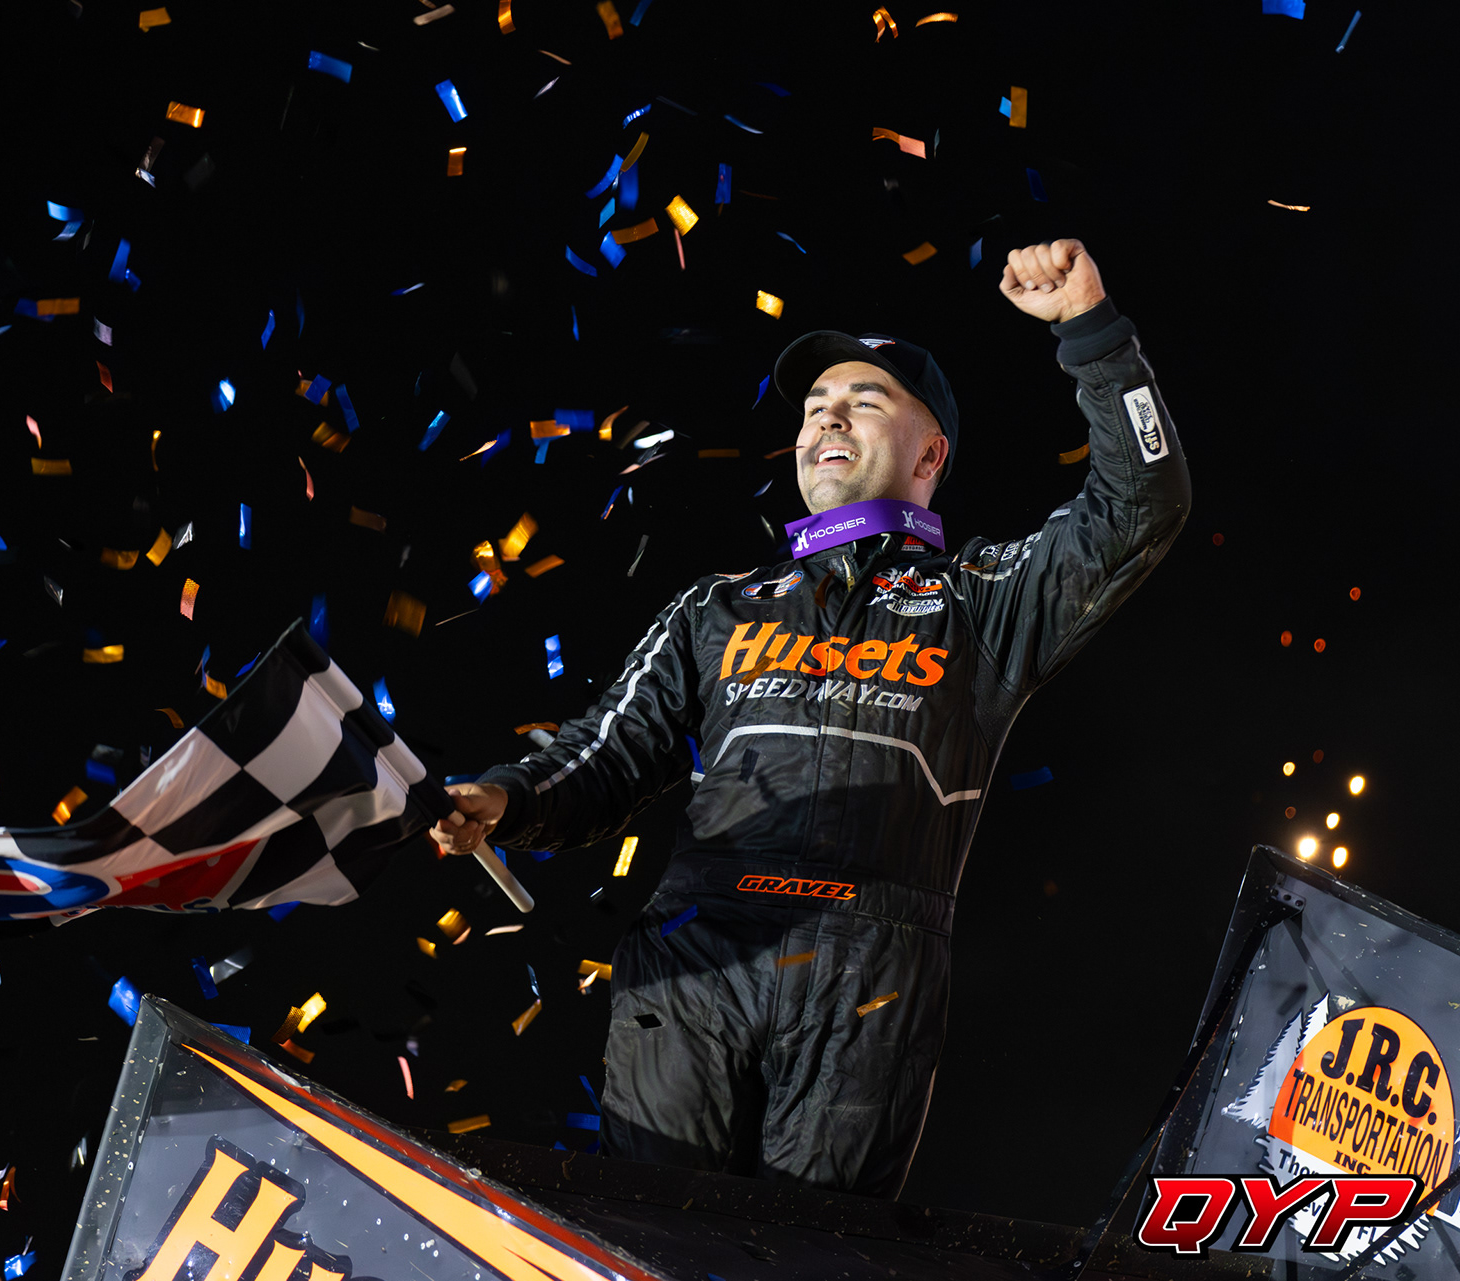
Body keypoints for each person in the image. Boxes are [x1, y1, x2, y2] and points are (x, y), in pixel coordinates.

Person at [429, 240, 1191, 1196]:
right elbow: (606, 751)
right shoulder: (718, 606)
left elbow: (1141, 503)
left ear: (929, 452)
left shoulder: (985, 600)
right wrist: (505, 797)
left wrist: (1093, 331)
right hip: (695, 956)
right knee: (649, 1238)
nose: (827, 417)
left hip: (871, 971)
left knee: (809, 1257)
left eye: (863, 400)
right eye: (813, 407)